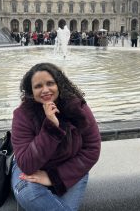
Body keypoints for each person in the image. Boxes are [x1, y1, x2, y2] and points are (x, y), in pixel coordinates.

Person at [11, 62, 101, 211]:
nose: (45, 90)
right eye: (38, 86)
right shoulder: (22, 115)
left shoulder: (78, 108)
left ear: (59, 84)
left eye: (50, 83)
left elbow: (92, 149)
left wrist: (53, 178)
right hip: (30, 169)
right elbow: (26, 164)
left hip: (69, 167)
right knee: (29, 195)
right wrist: (51, 127)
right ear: (31, 91)